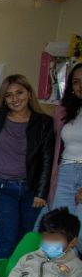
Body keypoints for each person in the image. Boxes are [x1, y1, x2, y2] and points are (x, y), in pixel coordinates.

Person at [0, 74, 55, 259]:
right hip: (2, 188)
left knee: (25, 239)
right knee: (7, 238)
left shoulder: (44, 123)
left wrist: (41, 193)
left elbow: (46, 160)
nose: (15, 99)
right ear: (4, 99)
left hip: (31, 190)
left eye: (19, 92)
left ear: (29, 93)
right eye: (9, 95)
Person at [48, 63, 82, 245]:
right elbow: (56, 148)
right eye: (76, 82)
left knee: (80, 234)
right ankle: (63, 272)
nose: (81, 86)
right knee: (60, 231)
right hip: (65, 173)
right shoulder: (63, 110)